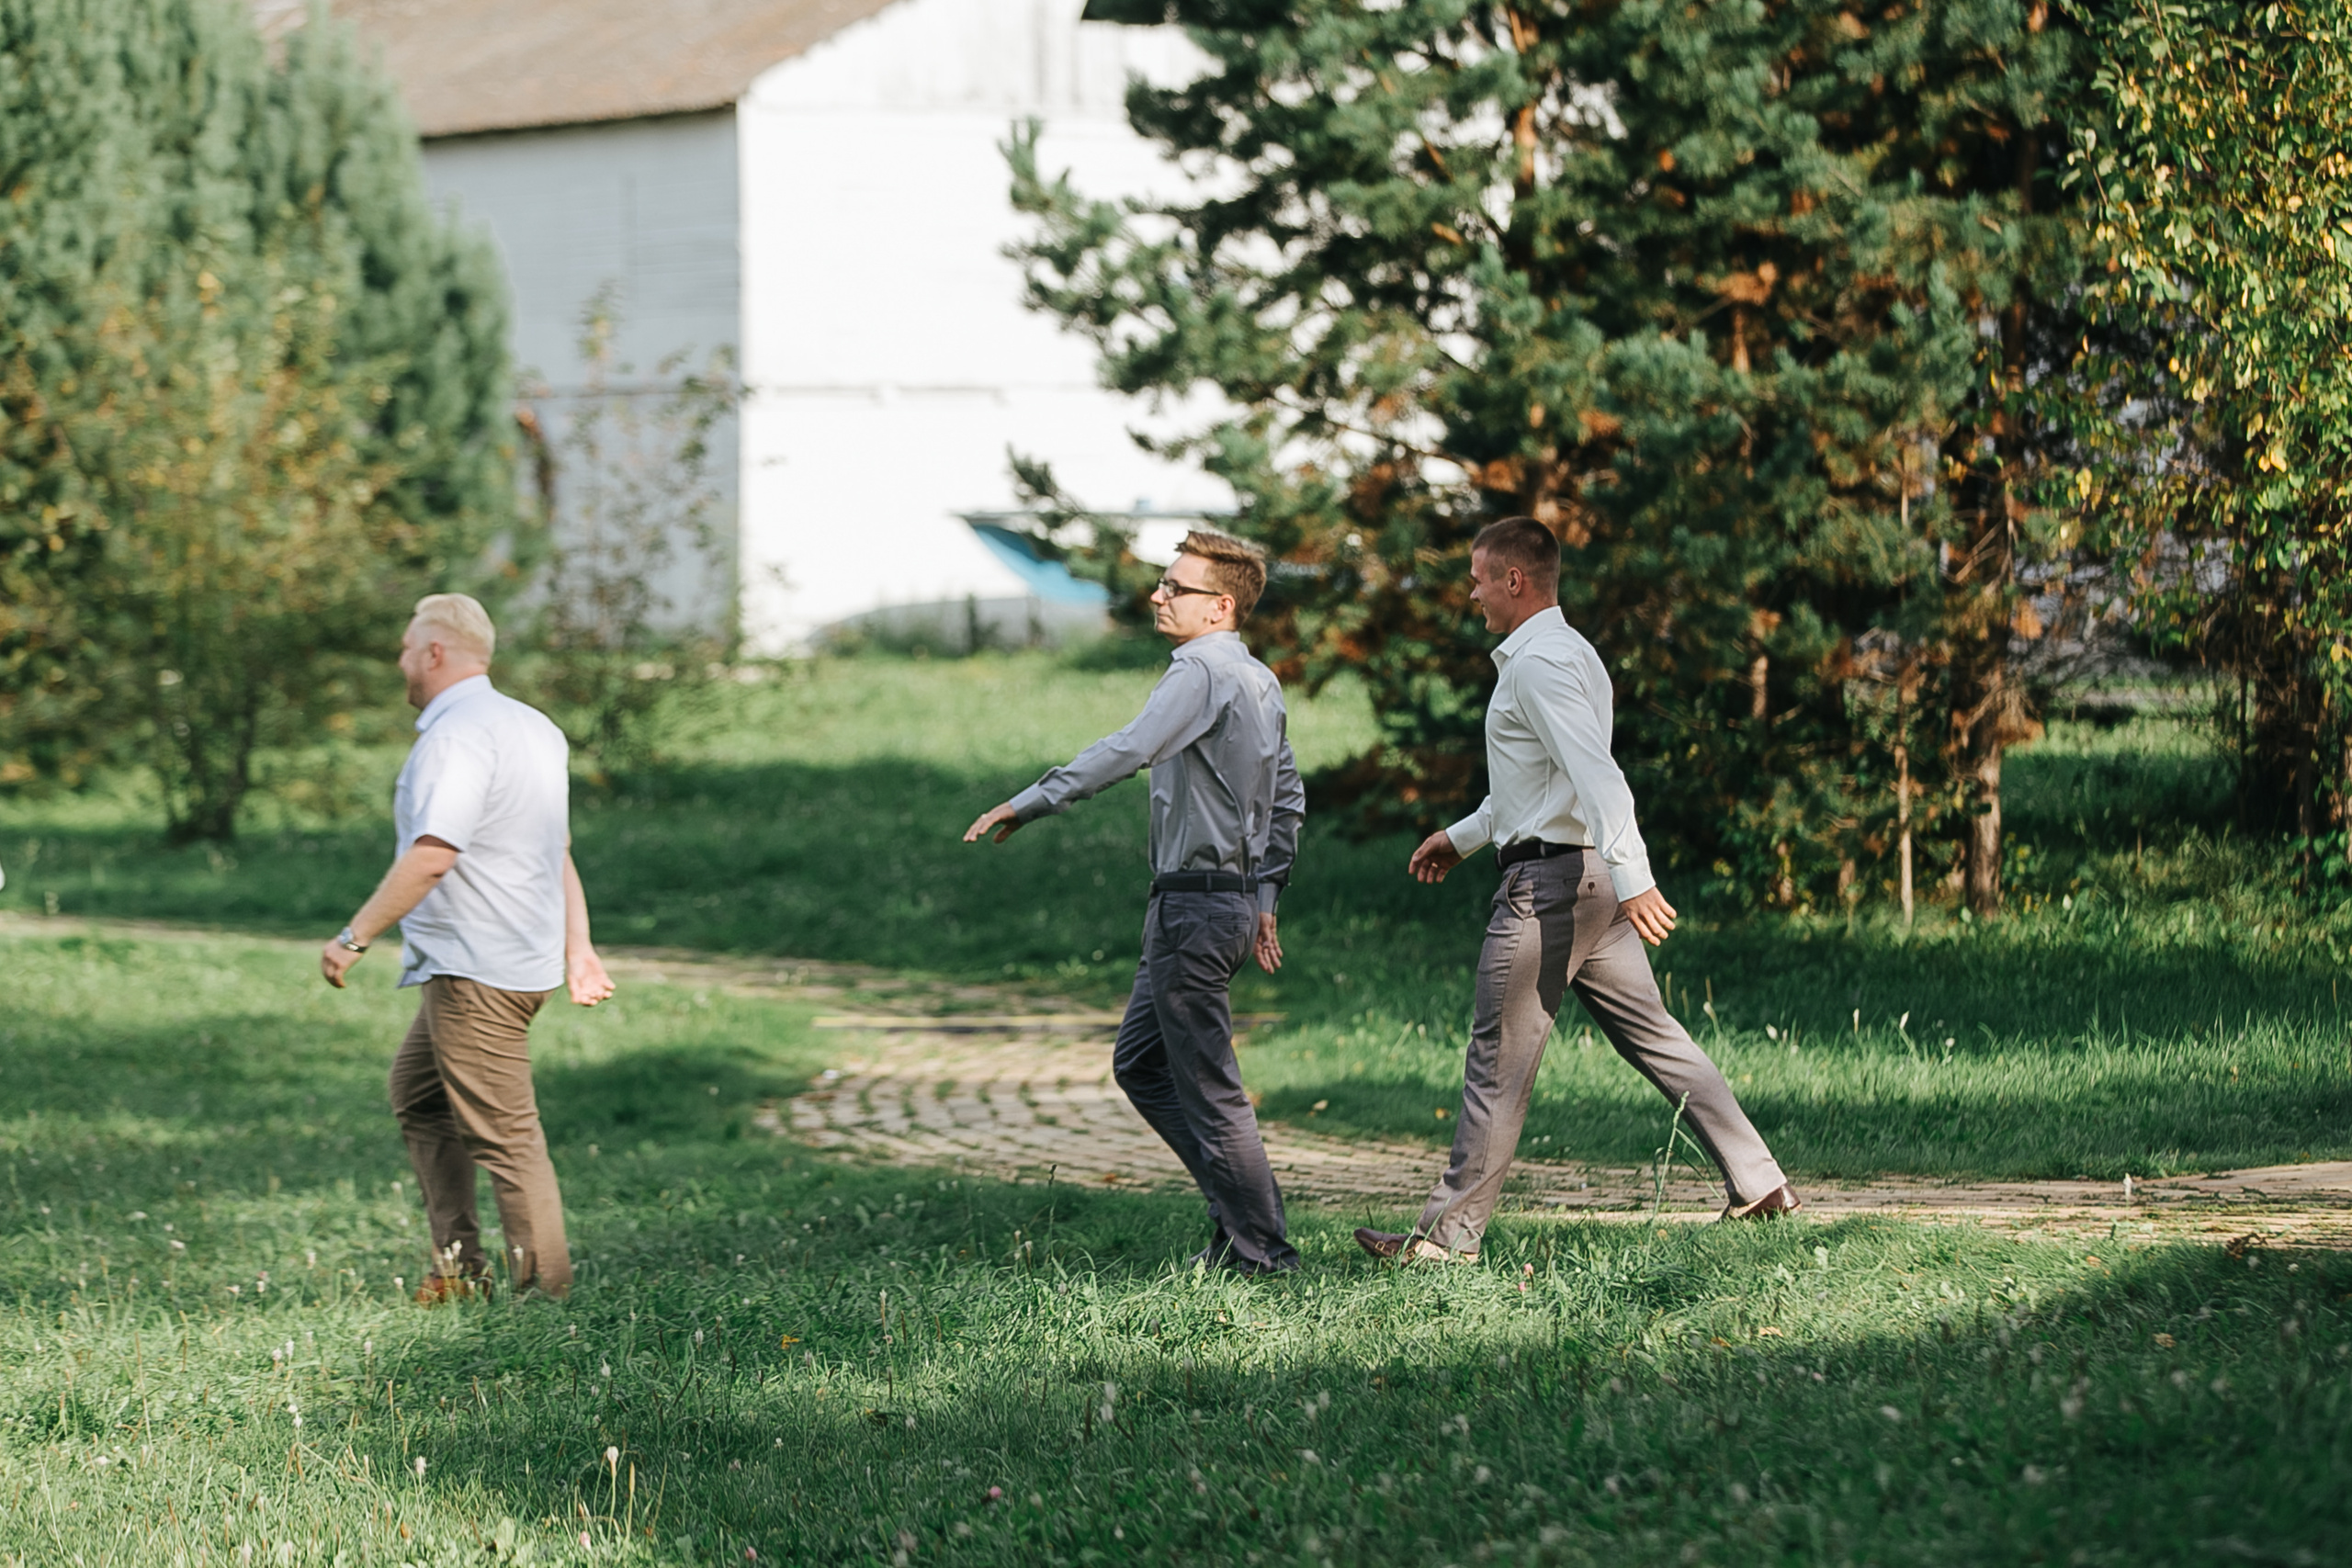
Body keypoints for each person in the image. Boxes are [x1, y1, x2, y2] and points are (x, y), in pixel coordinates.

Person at [1356, 518, 1800, 1266]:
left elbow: (1599, 777)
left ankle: (1445, 1239)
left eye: (1477, 578)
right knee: (1658, 1038)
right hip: (1582, 879)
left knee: (1497, 1058)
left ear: (1514, 581)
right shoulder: (1574, 655)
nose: (1471, 593)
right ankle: (1760, 1185)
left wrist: (1638, 878)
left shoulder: (1537, 665)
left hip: (1551, 890)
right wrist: (1462, 838)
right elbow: (1542, 783)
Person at [964, 531, 1305, 1274]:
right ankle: (1239, 1220)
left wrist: (1032, 800)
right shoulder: (1258, 678)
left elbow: (1130, 746)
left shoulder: (1199, 671)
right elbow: (1288, 799)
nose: (1157, 595)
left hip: (1194, 909)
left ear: (1219, 606)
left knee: (1211, 1089)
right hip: (1222, 904)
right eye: (1160, 582)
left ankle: (1262, 1251)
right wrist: (1266, 892)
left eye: (1174, 587)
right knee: (1142, 1062)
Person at [320, 593, 614, 1301]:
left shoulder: (455, 737)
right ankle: (457, 1268)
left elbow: (432, 854)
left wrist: (353, 935)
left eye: (404, 648)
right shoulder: (532, 726)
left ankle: (549, 1299)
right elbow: (555, 847)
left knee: (506, 1137)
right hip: (511, 959)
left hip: (476, 967)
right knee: (419, 1096)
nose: (400, 661)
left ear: (434, 653)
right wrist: (580, 944)